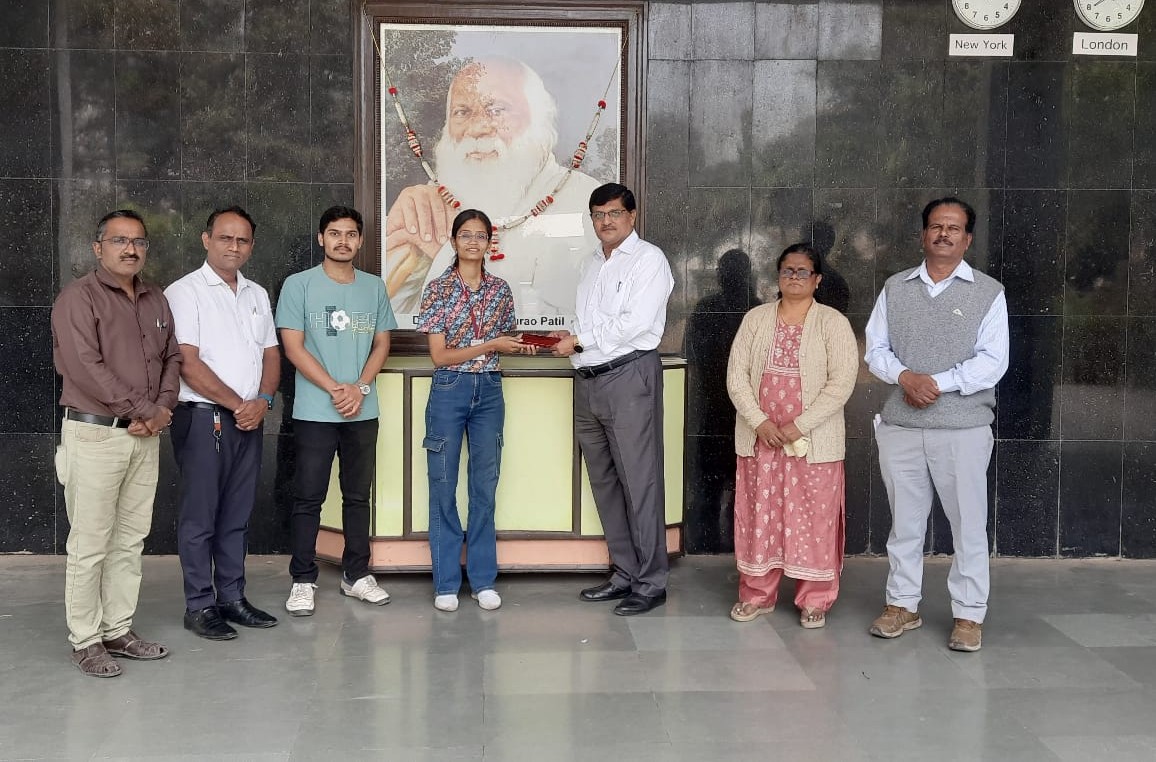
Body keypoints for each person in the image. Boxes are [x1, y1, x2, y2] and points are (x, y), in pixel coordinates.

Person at [865, 197, 1009, 652]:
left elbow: (993, 362)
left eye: (954, 228)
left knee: (968, 526)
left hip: (963, 429)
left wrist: (934, 384)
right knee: (904, 525)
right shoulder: (896, 287)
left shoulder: (989, 292)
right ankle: (901, 605)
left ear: (967, 239)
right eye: (936, 226)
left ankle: (968, 614)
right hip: (901, 426)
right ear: (923, 234)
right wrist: (905, 378)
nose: (944, 234)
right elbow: (875, 349)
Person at [51, 209, 181, 677]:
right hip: (95, 435)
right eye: (119, 240)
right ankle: (85, 640)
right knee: (90, 544)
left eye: (138, 241)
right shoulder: (77, 298)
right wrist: (146, 410)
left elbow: (172, 357)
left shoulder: (155, 298)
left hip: (143, 436)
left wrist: (161, 408)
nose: (130, 249)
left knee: (129, 540)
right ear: (98, 247)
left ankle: (117, 629)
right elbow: (85, 367)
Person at [383, 57, 602, 321]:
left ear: (539, 120)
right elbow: (394, 317)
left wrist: (446, 254)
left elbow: (586, 314)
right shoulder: (427, 207)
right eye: (462, 112)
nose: (477, 128)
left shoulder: (587, 203)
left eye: (497, 110)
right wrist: (408, 255)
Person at [553, 183, 674, 616]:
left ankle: (651, 582)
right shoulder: (591, 263)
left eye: (614, 213)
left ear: (632, 216)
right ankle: (624, 573)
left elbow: (634, 323)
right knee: (605, 484)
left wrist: (579, 340)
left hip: (629, 377)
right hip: (588, 380)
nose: (606, 221)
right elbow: (586, 322)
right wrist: (571, 338)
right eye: (598, 214)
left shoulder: (649, 260)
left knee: (640, 483)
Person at [725, 244, 858, 628]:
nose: (795, 277)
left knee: (813, 519)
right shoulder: (756, 319)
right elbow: (736, 377)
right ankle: (756, 594)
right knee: (759, 517)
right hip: (761, 441)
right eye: (788, 270)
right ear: (778, 276)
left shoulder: (832, 323)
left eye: (803, 271)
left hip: (812, 443)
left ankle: (815, 599)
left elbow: (841, 382)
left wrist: (798, 426)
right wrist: (760, 423)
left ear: (817, 280)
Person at [164, 206, 281, 640]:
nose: (234, 246)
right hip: (203, 419)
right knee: (201, 517)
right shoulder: (185, 292)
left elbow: (271, 354)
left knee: (237, 514)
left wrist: (263, 400)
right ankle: (199, 604)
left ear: (251, 245)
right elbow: (187, 362)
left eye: (242, 240)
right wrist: (238, 404)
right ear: (206, 239)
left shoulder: (256, 293)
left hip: (249, 419)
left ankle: (231, 597)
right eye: (225, 238)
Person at [276, 206, 398, 616]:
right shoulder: (299, 285)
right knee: (308, 497)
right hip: (315, 411)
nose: (342, 241)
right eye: (334, 233)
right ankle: (302, 579)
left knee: (357, 497)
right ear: (321, 238)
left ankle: (356, 575)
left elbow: (382, 343)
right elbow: (293, 347)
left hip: (362, 409)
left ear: (360, 241)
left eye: (350, 234)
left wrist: (360, 387)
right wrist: (334, 388)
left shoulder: (374, 287)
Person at [415, 209, 529, 612]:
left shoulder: (500, 290)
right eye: (466, 235)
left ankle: (483, 580)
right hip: (450, 388)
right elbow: (440, 356)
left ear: (489, 243)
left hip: (490, 390)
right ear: (453, 241)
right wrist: (492, 345)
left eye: (481, 236)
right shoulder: (438, 289)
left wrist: (532, 343)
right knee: (442, 484)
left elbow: (508, 338)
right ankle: (446, 582)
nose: (473, 242)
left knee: (484, 486)